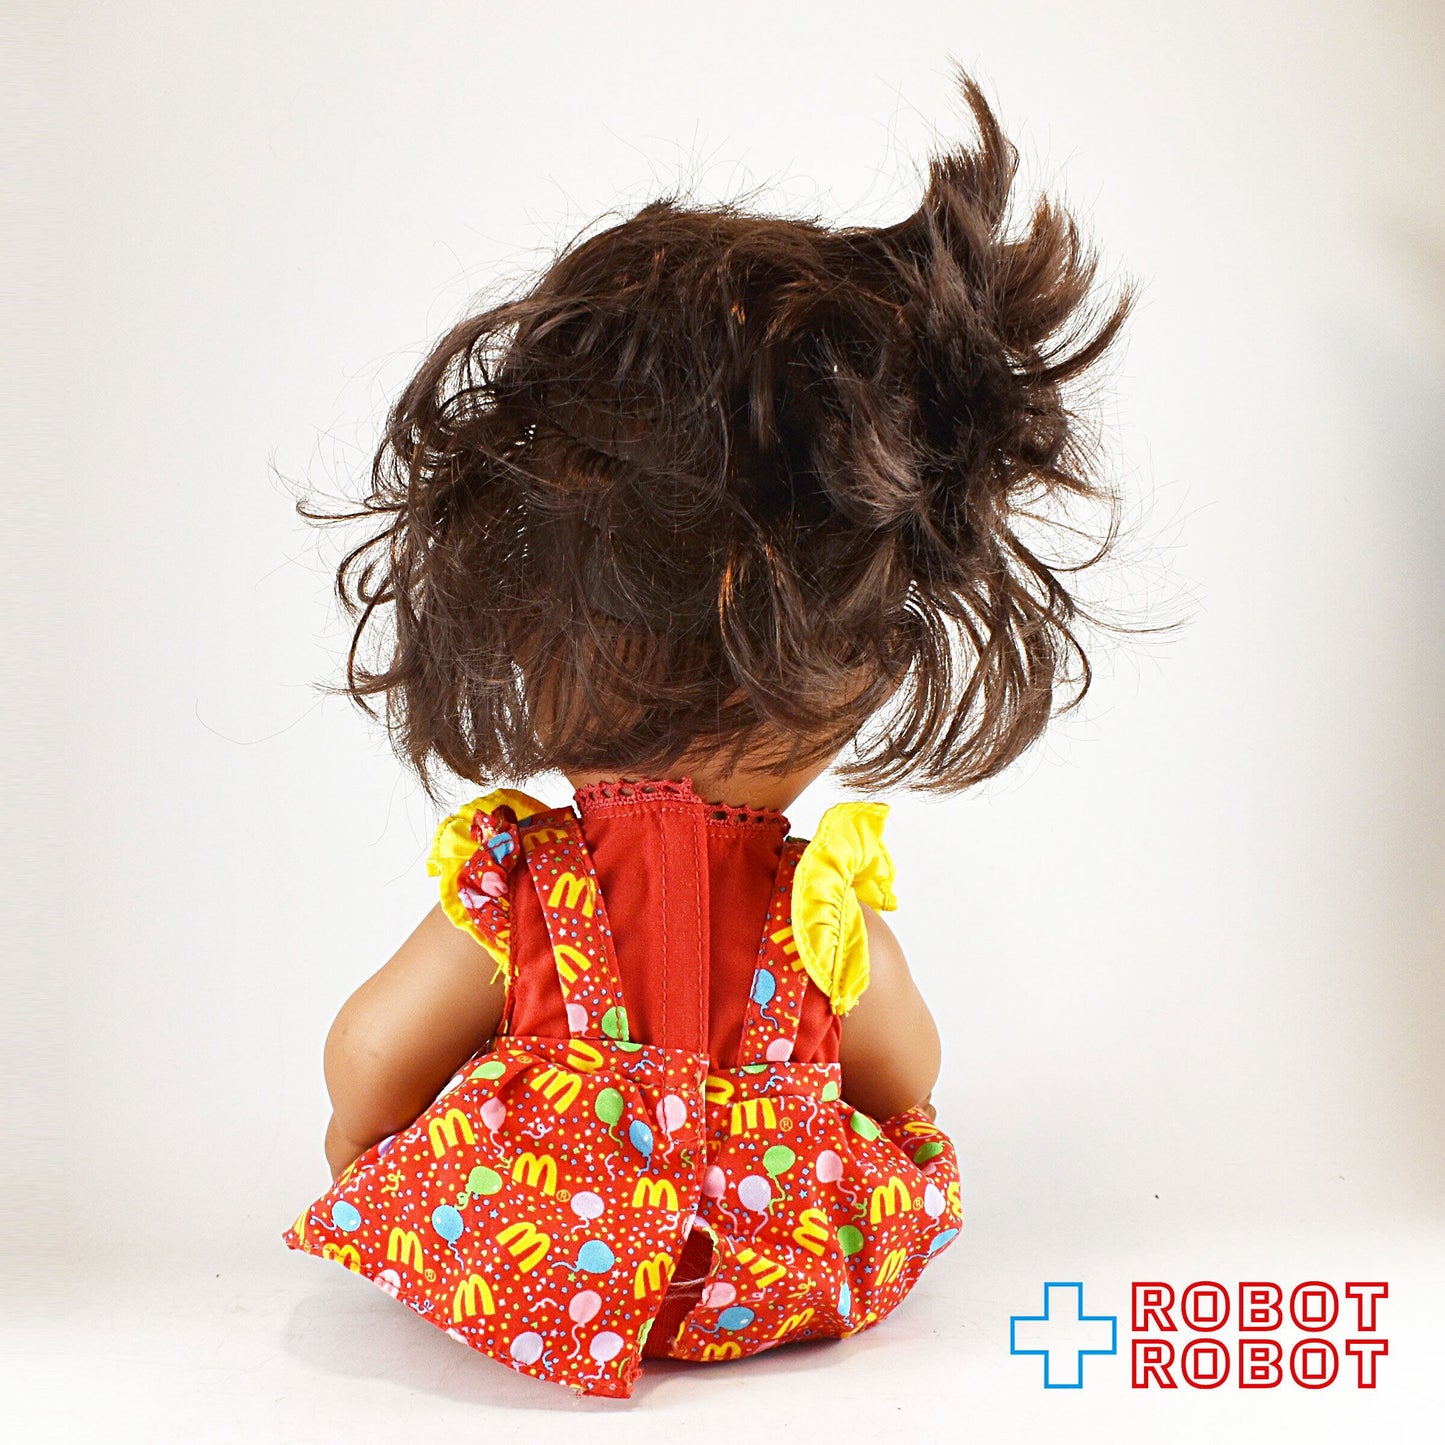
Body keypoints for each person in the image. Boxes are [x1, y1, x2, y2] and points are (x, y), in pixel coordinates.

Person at [282, 63, 1134, 1399]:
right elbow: (905, 1065)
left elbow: (374, 1044)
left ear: (521, 618)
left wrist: (365, 1142)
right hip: (775, 1252)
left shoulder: (527, 878)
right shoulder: (815, 901)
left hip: (547, 1255)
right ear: (858, 654)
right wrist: (851, 1095)